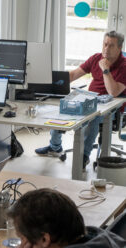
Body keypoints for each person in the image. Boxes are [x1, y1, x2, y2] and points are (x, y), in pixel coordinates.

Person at [35, 31, 126, 169]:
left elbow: (113, 92)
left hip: (111, 107)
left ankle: (84, 156)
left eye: (111, 46)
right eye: (105, 44)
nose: (106, 49)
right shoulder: (96, 58)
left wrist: (105, 70)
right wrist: (51, 83)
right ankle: (55, 147)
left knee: (93, 118)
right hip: (90, 100)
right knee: (64, 107)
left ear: (120, 48)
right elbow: (73, 75)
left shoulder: (124, 66)